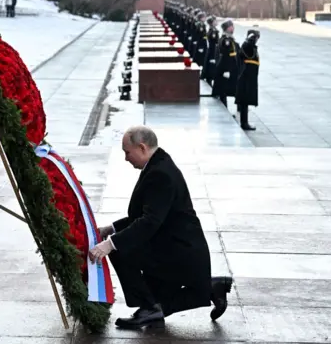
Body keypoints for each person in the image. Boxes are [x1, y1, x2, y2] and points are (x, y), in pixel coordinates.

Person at [89, 126, 233, 330]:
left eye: (127, 152)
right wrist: (111, 229)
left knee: (121, 250)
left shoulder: (160, 173)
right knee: (160, 301)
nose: (126, 158)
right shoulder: (158, 164)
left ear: (142, 147)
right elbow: (144, 215)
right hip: (172, 245)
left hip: (178, 252)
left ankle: (150, 306)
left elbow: (149, 221)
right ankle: (208, 287)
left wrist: (110, 243)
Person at [235, 29, 260, 131]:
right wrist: (251, 40)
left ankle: (245, 122)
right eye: (256, 38)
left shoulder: (248, 45)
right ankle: (244, 123)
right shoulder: (247, 45)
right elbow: (248, 54)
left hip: (249, 76)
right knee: (244, 100)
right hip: (246, 76)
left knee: (245, 100)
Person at [211, 19, 240, 108]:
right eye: (231, 27)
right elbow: (225, 55)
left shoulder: (229, 39)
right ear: (227, 28)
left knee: (231, 89)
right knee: (224, 90)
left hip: (232, 68)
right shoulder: (225, 40)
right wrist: (227, 70)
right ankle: (224, 108)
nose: (233, 28)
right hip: (227, 69)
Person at [201, 16, 219, 86]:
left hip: (212, 49)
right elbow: (214, 42)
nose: (216, 22)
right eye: (215, 21)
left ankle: (209, 77)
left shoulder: (213, 30)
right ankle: (209, 78)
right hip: (212, 50)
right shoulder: (213, 31)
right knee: (211, 65)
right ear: (212, 23)